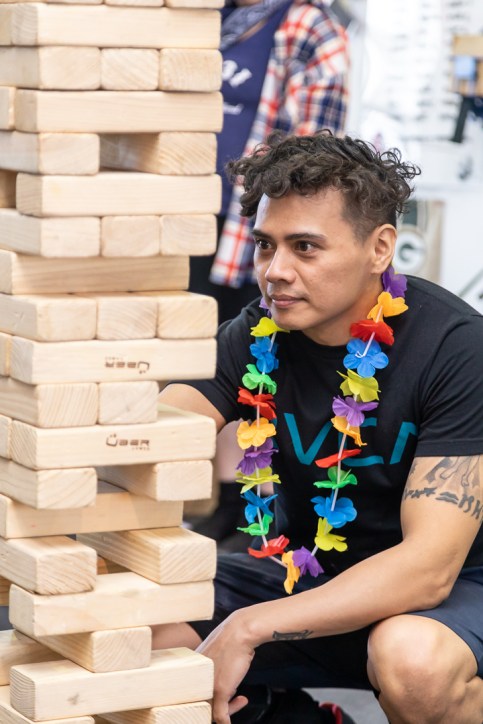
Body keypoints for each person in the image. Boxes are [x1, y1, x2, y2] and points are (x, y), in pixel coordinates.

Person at [154, 130, 483, 724]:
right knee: (140, 627)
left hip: (453, 594)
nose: (275, 271)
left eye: (305, 247)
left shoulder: (456, 348)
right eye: (265, 245)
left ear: (380, 248)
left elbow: (430, 568)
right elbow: (165, 430)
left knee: (413, 661)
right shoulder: (256, 332)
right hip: (306, 574)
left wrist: (249, 626)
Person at [188, 0, 349, 547]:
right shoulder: (210, 18)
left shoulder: (307, 27)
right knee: (199, 365)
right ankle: (211, 503)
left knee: (253, 366)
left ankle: (244, 508)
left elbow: (316, 155)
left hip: (250, 232)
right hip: (185, 222)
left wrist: (279, 236)